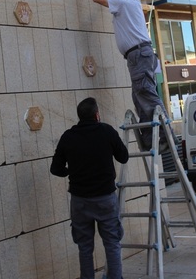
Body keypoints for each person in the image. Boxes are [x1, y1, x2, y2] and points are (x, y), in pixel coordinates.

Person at [74, 0, 176, 151]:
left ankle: (166, 135)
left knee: (145, 94)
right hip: (140, 55)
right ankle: (151, 138)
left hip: (139, 55)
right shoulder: (130, 0)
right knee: (139, 97)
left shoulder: (123, 2)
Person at [50, 97, 129, 279]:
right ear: (96, 115)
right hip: (105, 199)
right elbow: (123, 157)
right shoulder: (106, 131)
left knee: (84, 247)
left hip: (80, 201)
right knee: (112, 243)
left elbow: (55, 169)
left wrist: (71, 171)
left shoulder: (68, 136)